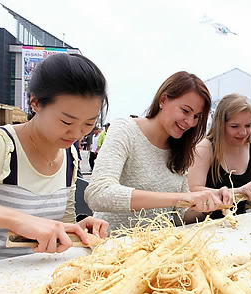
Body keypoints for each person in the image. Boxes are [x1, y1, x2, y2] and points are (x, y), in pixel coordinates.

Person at [0, 53, 109, 267]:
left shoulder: (69, 157)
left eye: (88, 124)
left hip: (34, 287)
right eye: (66, 121)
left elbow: (59, 228)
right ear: (35, 102)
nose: (76, 133)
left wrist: (78, 231)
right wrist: (16, 220)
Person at [85, 71, 230, 230]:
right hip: (113, 246)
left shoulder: (181, 148)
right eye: (185, 111)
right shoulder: (125, 130)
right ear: (163, 100)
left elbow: (181, 215)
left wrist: (210, 203)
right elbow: (98, 193)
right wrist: (180, 198)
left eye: (197, 116)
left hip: (157, 250)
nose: (190, 122)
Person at [189, 93, 251, 219]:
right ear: (220, 124)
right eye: (234, 126)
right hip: (204, 226)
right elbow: (192, 191)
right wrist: (239, 191)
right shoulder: (205, 148)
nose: (243, 132)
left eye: (248, 126)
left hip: (239, 226)